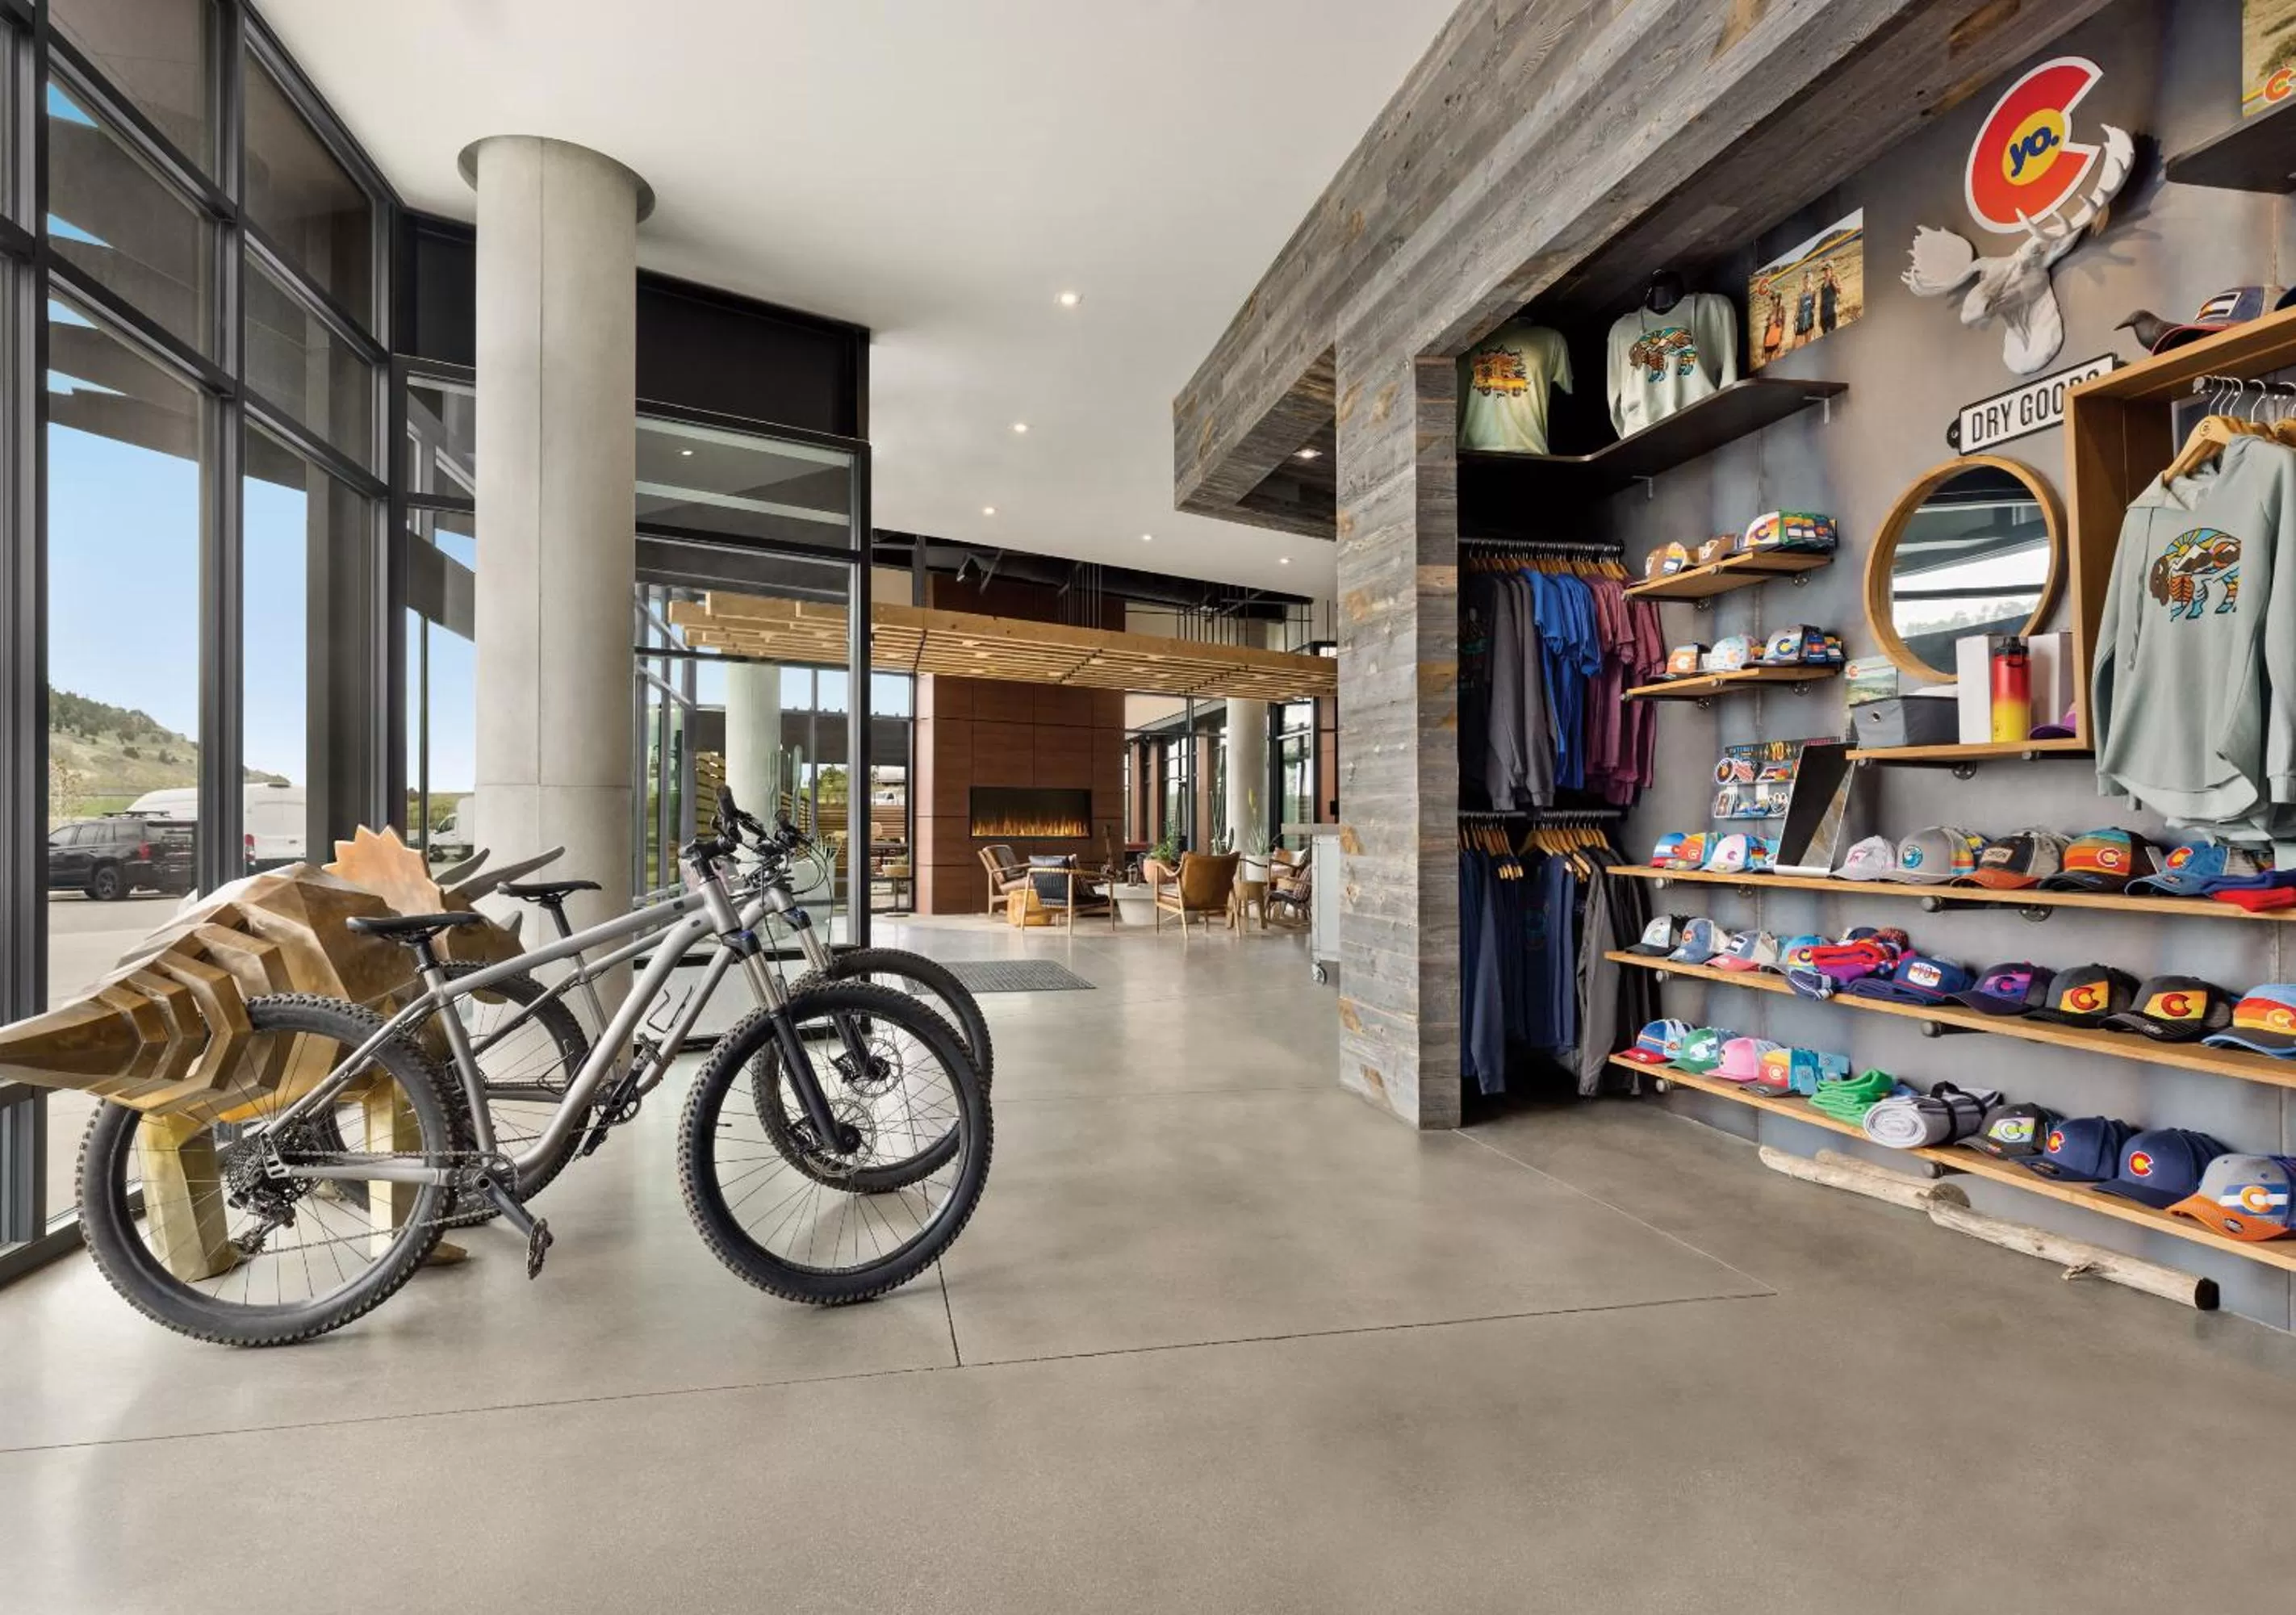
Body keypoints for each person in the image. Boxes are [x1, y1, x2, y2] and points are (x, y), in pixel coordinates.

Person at [1761, 291, 1786, 365]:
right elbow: (1766, 331)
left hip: (1776, 342)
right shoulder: (1770, 312)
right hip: (1768, 343)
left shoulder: (1782, 310)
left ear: (1779, 299)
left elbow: (1783, 326)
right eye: (1773, 299)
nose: (1774, 300)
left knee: (1776, 365)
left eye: (1776, 298)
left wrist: (1781, 343)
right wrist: (1763, 347)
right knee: (1767, 366)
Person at [1793, 272, 1816, 342]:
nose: (1806, 282)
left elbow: (1814, 305)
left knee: (1810, 338)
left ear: (1810, 281)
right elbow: (1798, 307)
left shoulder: (1813, 291)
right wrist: (1795, 317)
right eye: (1805, 281)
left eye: (1808, 281)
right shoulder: (1800, 294)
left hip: (1809, 317)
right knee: (1804, 340)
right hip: (1802, 318)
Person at [1819, 262, 1841, 334]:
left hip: (1832, 311)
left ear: (1831, 270)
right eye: (1824, 270)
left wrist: (1833, 282)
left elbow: (1839, 291)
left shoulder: (1835, 279)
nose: (1825, 272)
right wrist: (1820, 317)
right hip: (1823, 314)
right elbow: (1821, 301)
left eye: (1827, 270)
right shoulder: (1822, 285)